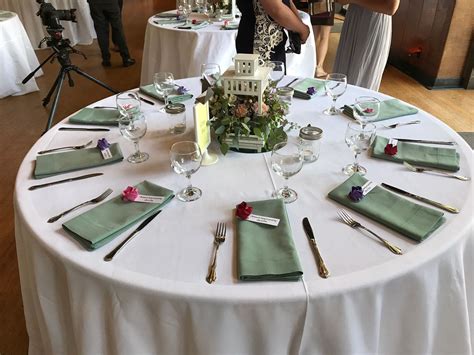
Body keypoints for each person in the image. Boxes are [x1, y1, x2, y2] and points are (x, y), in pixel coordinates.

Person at [332, 0, 399, 91]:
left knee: (362, 78)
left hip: (374, 22)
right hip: (353, 18)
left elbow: (390, 7)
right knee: (341, 75)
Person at [236, 0, 310, 66]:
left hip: (270, 41)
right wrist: (303, 30)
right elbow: (276, 9)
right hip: (259, 43)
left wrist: (299, 25)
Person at [87, 0, 135, 67]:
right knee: (118, 29)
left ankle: (106, 60)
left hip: (94, 3)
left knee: (101, 31)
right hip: (111, 2)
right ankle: (126, 58)